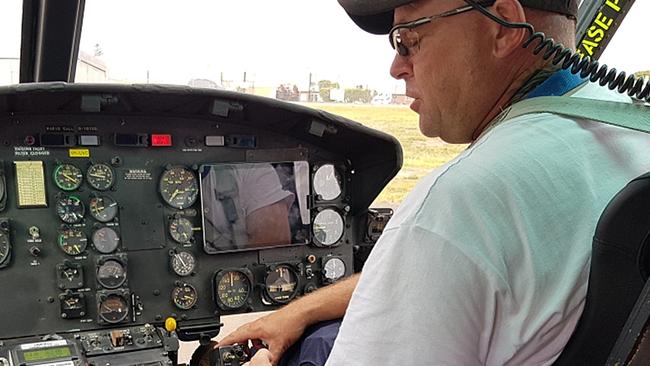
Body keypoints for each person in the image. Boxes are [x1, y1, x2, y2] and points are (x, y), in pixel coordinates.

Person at [218, 0, 650, 364]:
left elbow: (450, 250)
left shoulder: (461, 202)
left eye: (407, 39)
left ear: (503, 27)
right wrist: (302, 309)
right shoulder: (633, 129)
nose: (396, 67)